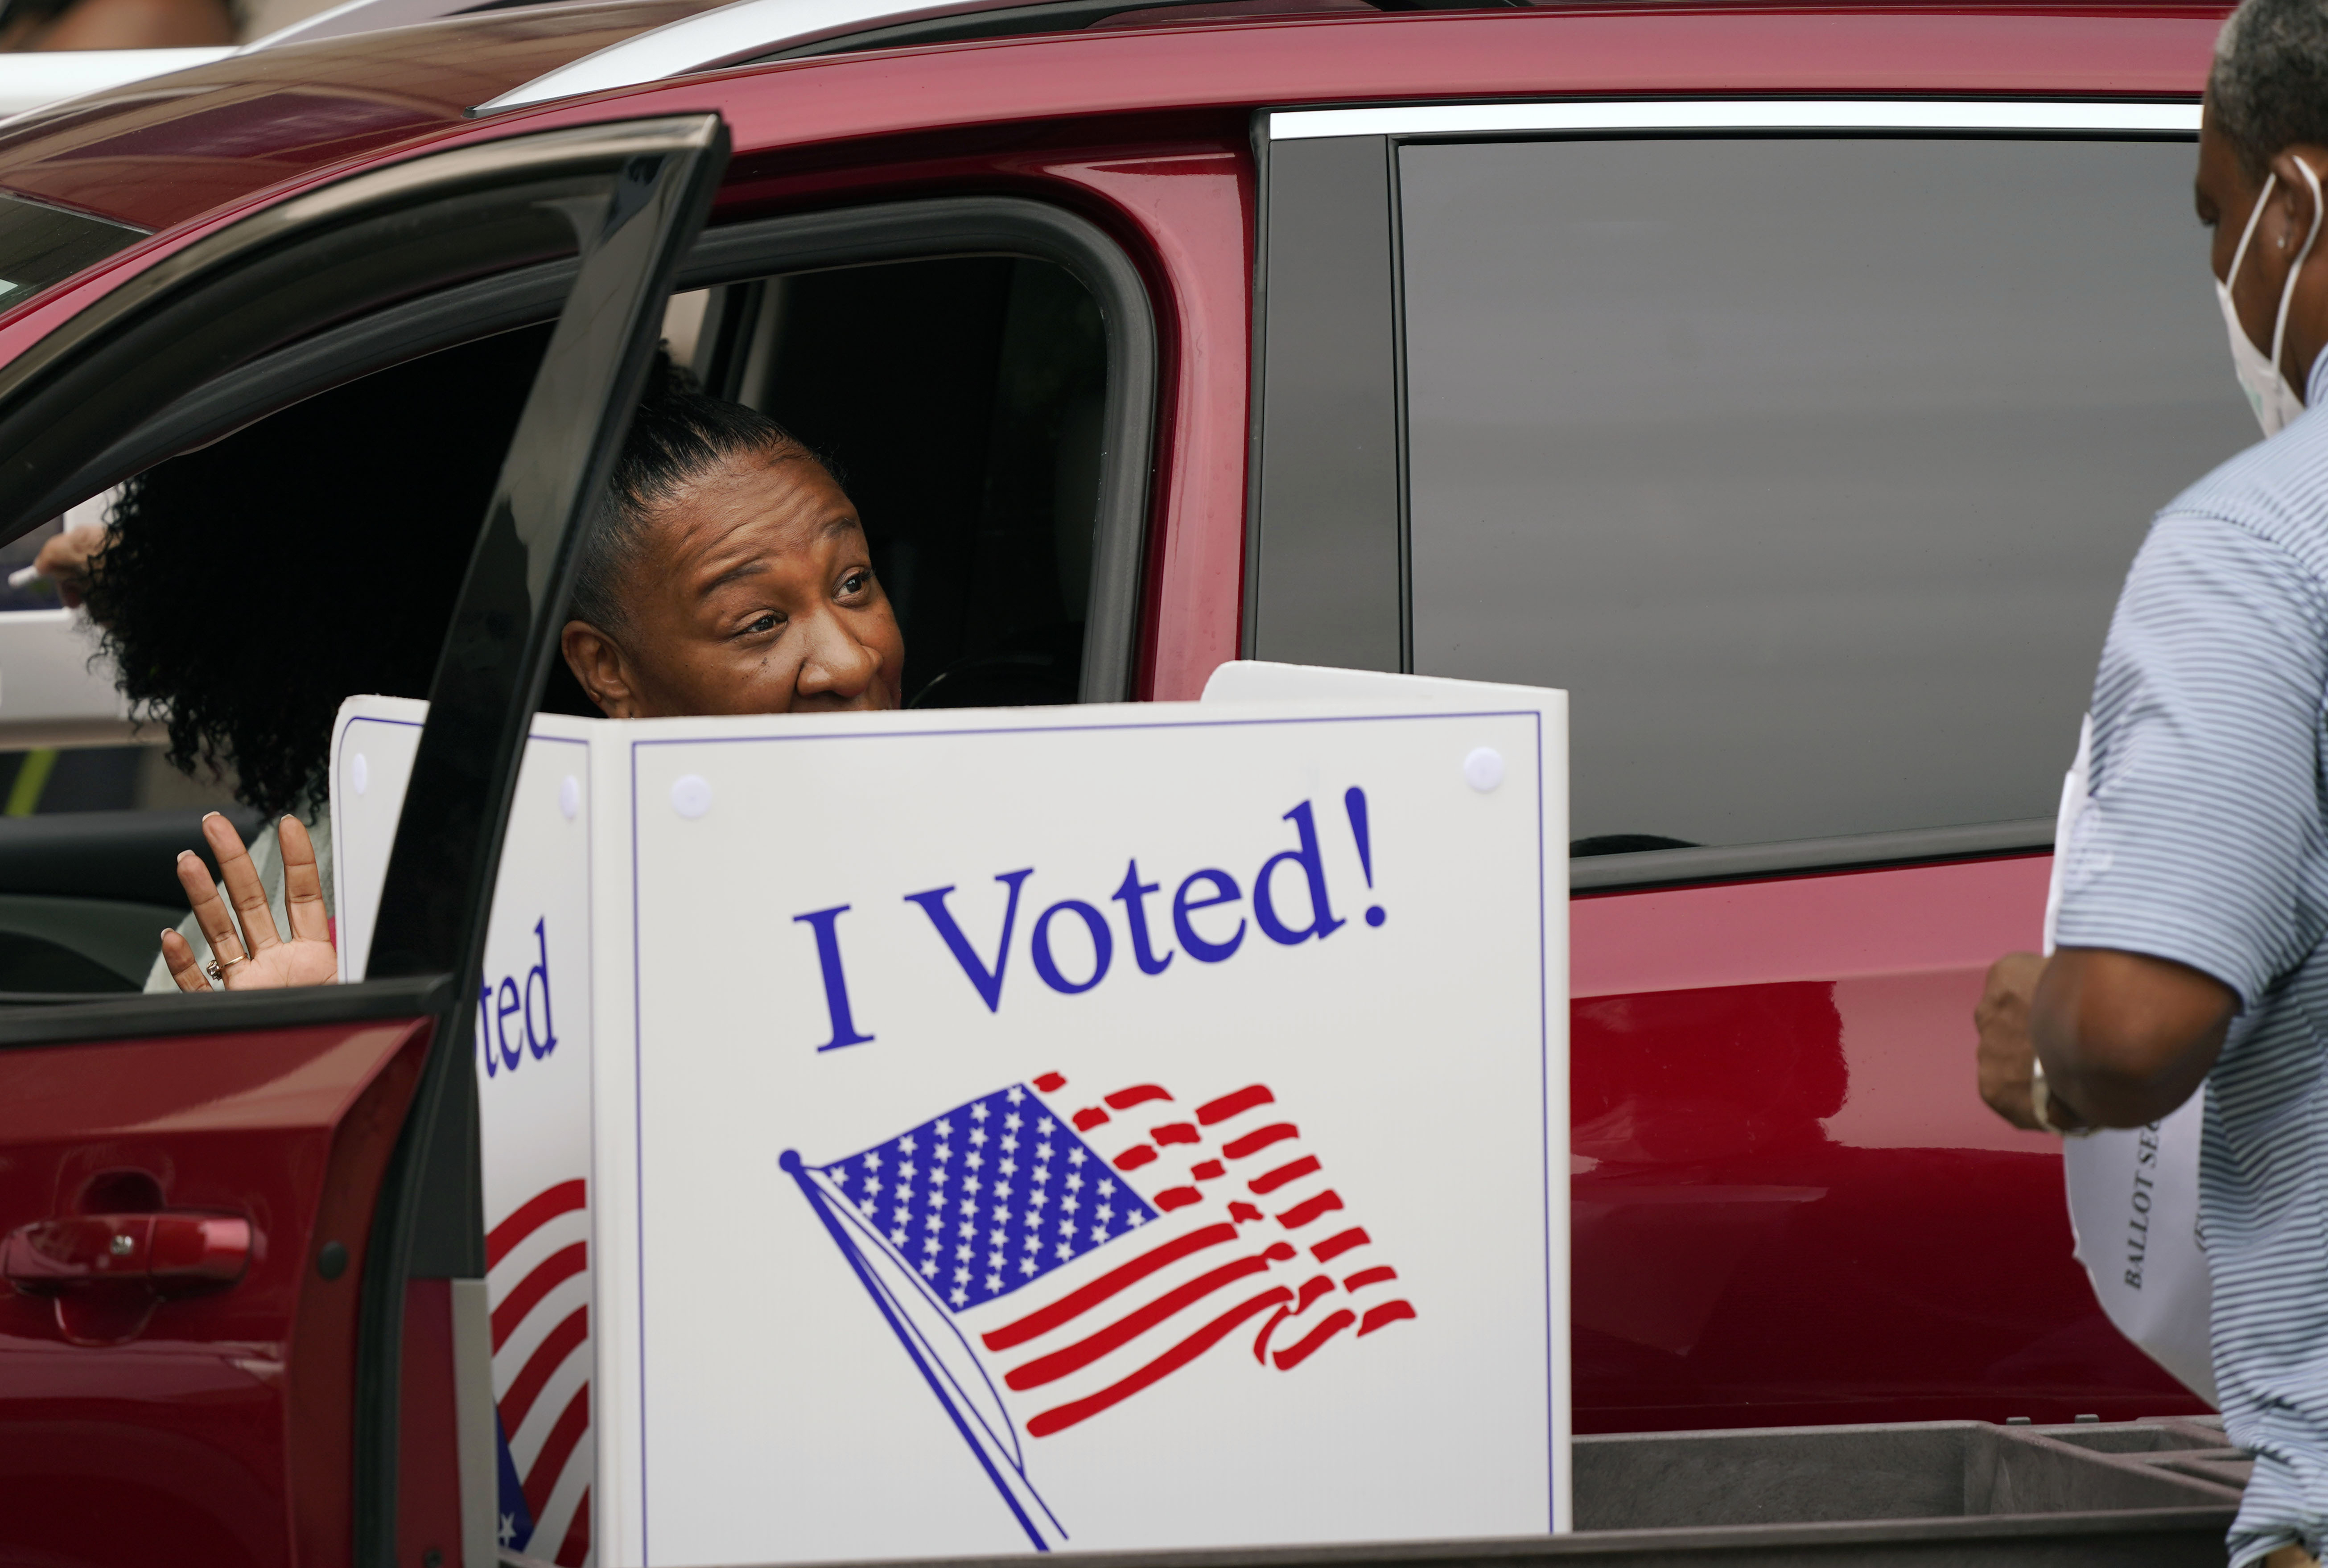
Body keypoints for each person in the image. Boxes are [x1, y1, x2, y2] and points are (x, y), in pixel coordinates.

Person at [1974, 2, 2328, 1562]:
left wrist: (2044, 1035)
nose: (2221, 275)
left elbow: (2132, 1028)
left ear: (2291, 204)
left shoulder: (2257, 550)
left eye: (2213, 215)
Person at [156, 351, 902, 992]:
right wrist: (332, 1048)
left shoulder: (968, 831)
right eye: (760, 623)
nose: (852, 660)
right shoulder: (515, 937)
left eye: (853, 583)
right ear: (606, 670)